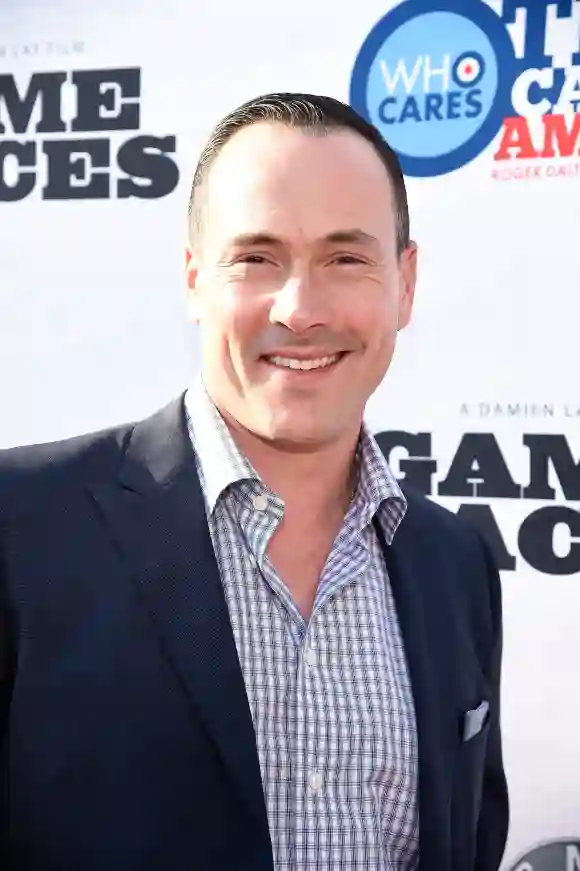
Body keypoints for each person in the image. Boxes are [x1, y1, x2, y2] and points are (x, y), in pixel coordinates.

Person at [0, 93, 509, 871]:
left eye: (345, 258)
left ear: (405, 283)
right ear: (194, 280)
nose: (300, 309)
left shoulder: (457, 564)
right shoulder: (22, 529)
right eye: (257, 258)